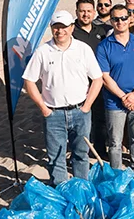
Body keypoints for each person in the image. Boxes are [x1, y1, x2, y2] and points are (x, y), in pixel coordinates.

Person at [23, 11, 103, 186]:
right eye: (56, 27)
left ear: (72, 28)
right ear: (51, 28)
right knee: (56, 157)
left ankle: (82, 189)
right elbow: (29, 80)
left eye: (64, 27)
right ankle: (61, 191)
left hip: (80, 111)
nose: (60, 31)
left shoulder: (83, 49)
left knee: (81, 153)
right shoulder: (43, 51)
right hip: (54, 114)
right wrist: (44, 108)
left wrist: (87, 105)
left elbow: (97, 79)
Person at [96, 5, 134, 187]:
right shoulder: (104, 46)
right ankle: (116, 175)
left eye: (123, 18)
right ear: (111, 21)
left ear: (130, 19)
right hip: (114, 102)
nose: (120, 21)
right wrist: (123, 97)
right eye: (116, 19)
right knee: (115, 142)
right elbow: (105, 77)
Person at [72, 0, 109, 158]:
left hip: (98, 83)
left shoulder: (101, 31)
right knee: (79, 121)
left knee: (99, 119)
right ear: (77, 12)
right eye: (82, 11)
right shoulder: (71, 32)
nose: (86, 14)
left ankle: (100, 150)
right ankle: (79, 152)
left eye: (88, 11)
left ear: (94, 12)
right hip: (78, 84)